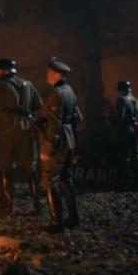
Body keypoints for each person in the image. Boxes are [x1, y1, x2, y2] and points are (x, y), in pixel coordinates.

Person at [0, 58, 42, 214]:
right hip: (27, 128)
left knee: (5, 165)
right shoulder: (28, 85)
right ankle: (37, 205)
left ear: (3, 71)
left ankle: (7, 205)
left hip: (8, 129)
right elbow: (38, 106)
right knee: (30, 167)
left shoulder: (0, 87)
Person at [37, 57, 81, 232]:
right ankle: (73, 218)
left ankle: (57, 222)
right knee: (65, 178)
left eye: (49, 72)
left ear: (56, 74)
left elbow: (55, 125)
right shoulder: (69, 90)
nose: (47, 76)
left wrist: (47, 149)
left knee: (50, 180)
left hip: (59, 141)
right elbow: (78, 118)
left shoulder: (57, 94)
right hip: (69, 139)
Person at [112, 80, 138, 188]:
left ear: (121, 90)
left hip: (125, 131)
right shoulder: (137, 101)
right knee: (136, 156)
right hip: (136, 131)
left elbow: (120, 118)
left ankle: (125, 181)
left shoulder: (122, 100)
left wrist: (112, 121)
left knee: (125, 157)